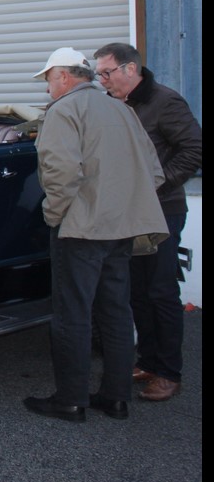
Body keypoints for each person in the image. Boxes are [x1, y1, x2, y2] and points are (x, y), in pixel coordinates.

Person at [23, 47, 168, 423]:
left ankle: (70, 400)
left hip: (81, 228)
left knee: (73, 314)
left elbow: (61, 173)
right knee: (116, 312)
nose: (48, 89)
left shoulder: (64, 111)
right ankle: (116, 398)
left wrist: (55, 216)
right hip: (123, 228)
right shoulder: (122, 109)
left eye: (49, 80)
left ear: (64, 77)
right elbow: (153, 172)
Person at [93, 43, 202, 403]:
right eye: (99, 75)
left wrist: (158, 183)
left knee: (160, 291)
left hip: (162, 210)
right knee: (136, 290)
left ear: (130, 69)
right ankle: (149, 361)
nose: (103, 80)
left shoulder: (165, 102)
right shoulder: (116, 103)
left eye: (107, 73)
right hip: (128, 211)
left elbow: (194, 149)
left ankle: (170, 373)